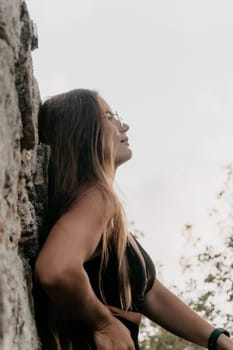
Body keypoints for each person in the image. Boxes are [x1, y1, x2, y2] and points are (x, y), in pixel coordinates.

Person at [33, 88, 233, 350]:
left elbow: (149, 292)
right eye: (108, 117)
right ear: (82, 132)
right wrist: (102, 322)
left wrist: (216, 339)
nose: (123, 125)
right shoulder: (96, 198)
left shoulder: (96, 211)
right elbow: (56, 267)